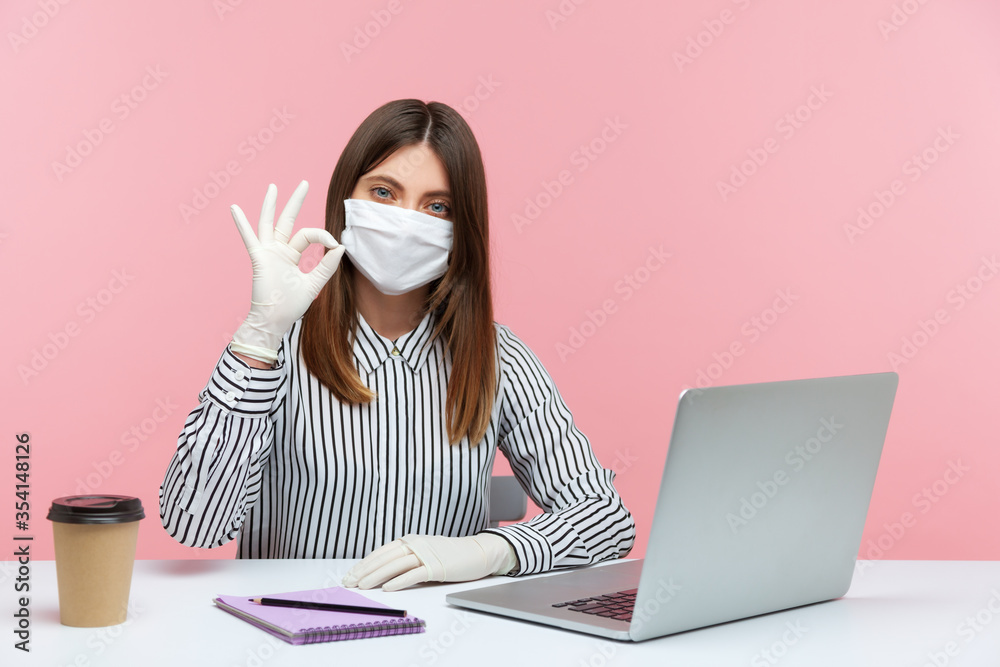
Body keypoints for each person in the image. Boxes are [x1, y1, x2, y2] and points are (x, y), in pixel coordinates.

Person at [159, 99, 635, 592]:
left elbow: (606, 518)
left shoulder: (497, 359)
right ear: (347, 198)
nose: (407, 221)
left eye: (437, 206)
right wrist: (260, 336)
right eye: (384, 192)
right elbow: (196, 524)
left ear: (461, 228)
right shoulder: (278, 348)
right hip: (296, 627)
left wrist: (492, 551)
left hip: (439, 631)